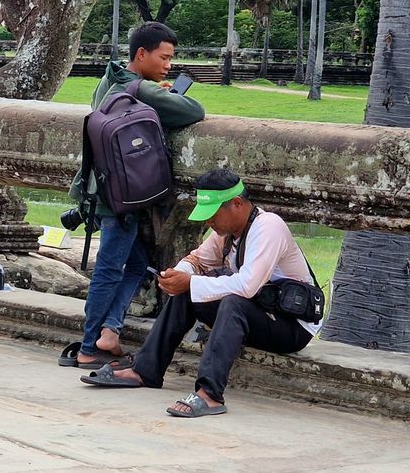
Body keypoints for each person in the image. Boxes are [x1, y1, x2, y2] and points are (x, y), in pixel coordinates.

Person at [79, 168, 321, 418]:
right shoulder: (226, 233)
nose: (208, 223)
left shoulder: (268, 227)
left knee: (230, 301)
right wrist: (176, 275)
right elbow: (196, 260)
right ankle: (145, 370)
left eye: (213, 214)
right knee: (188, 292)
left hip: (292, 326)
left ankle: (210, 394)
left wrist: (190, 282)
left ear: (236, 204)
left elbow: (248, 286)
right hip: (258, 314)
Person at [65, 22, 205, 368]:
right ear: (141, 54)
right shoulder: (141, 89)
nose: (168, 65)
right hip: (122, 196)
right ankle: (89, 346)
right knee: (109, 269)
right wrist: (165, 95)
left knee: (138, 261)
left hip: (99, 186)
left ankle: (108, 332)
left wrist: (157, 92)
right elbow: (194, 111)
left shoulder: (109, 79)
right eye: (164, 57)